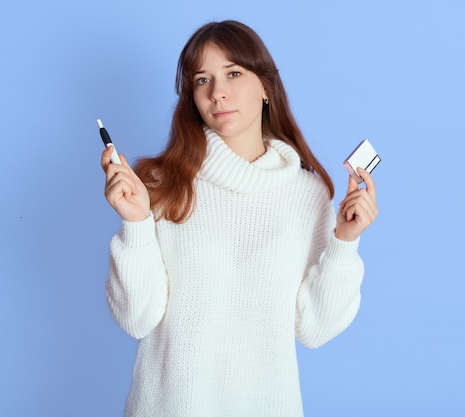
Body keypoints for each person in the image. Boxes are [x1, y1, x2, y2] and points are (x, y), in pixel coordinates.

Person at [101, 20, 378, 417]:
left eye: (233, 73)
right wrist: (137, 225)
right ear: (192, 97)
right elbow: (136, 318)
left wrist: (345, 243)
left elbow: (315, 329)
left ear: (266, 86)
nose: (218, 93)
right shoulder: (161, 185)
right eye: (202, 80)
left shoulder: (307, 195)